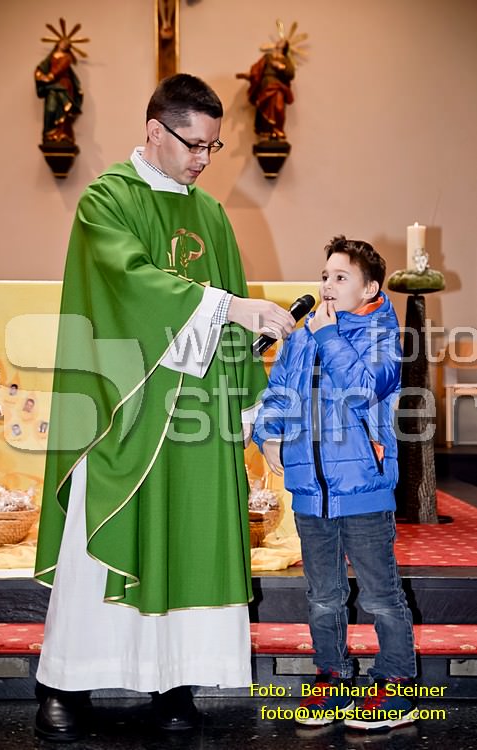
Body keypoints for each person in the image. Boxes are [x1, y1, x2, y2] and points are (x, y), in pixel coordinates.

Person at [33, 73, 295, 742]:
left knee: (186, 541)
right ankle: (65, 684)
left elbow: (232, 316)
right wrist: (227, 307)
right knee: (104, 541)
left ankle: (174, 682)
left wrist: (252, 400)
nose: (204, 159)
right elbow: (127, 284)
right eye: (193, 145)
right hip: (123, 408)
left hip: (194, 418)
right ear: (155, 131)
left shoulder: (210, 215)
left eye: (213, 146)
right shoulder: (106, 200)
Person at [253, 236, 418, 732]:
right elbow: (279, 390)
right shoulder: (304, 334)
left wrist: (328, 336)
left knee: (380, 595)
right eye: (325, 275)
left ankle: (397, 683)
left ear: (369, 288)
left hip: (362, 487)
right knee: (323, 596)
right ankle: (333, 676)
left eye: (341, 277)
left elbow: (365, 389)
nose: (327, 285)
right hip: (310, 489)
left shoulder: (382, 335)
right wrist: (269, 434)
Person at [236, 38, 295, 140]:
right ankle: (266, 131)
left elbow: (291, 74)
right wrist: (249, 75)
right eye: (279, 41)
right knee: (264, 106)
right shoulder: (268, 57)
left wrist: (281, 67)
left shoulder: (285, 60)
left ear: (285, 46)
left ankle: (277, 129)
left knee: (279, 107)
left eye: (282, 42)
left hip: (278, 86)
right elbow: (257, 69)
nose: (279, 41)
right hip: (265, 85)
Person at [34, 37, 83, 144]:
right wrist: (38, 74)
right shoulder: (51, 56)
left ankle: (63, 134)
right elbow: (42, 66)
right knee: (50, 108)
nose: (64, 44)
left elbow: (61, 67)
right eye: (63, 42)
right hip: (51, 86)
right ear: (58, 43)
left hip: (64, 84)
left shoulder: (67, 57)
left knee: (64, 111)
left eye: (67, 44)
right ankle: (49, 133)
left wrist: (50, 76)